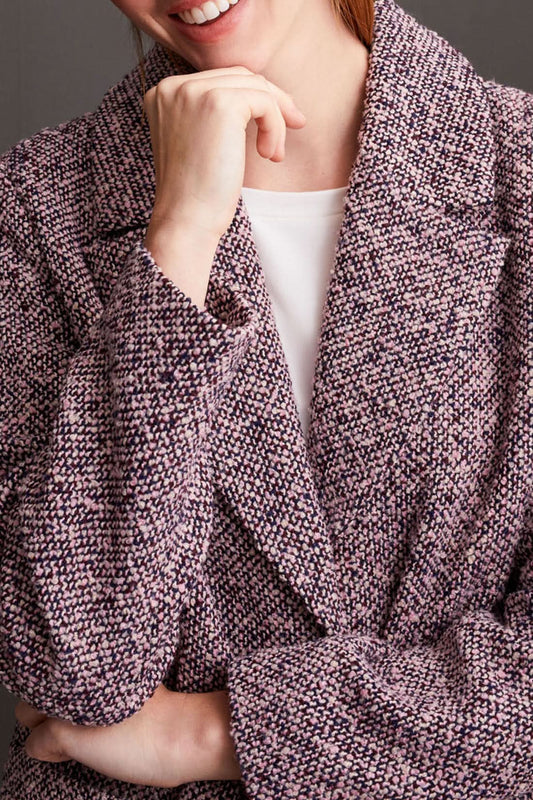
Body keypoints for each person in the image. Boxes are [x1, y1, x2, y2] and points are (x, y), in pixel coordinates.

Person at [1, 0, 532, 797]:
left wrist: (213, 733)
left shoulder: (516, 168)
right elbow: (74, 664)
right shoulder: (33, 211)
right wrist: (178, 235)